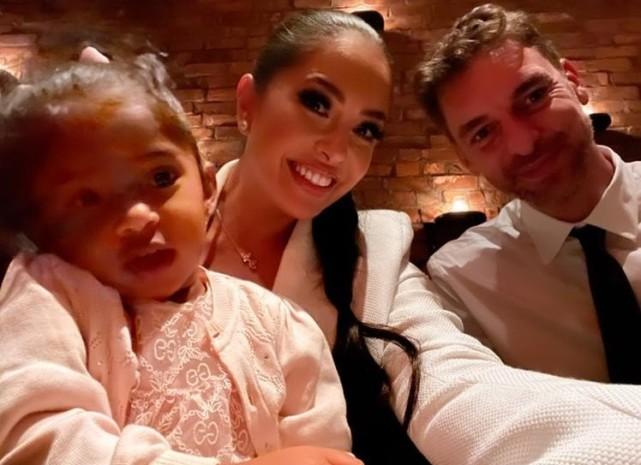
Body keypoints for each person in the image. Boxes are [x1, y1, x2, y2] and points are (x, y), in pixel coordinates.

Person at [205, 8, 641, 465]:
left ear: (574, 79)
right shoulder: (157, 232)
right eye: (316, 103)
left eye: (366, 130)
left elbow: (452, 388)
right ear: (248, 103)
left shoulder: (373, 254)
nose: (336, 150)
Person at [0, 55, 359, 465]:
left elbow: (321, 450)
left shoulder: (280, 326)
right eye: (88, 199)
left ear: (207, 188)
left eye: (160, 178)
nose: (137, 218)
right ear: (46, 229)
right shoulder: (48, 298)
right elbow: (40, 438)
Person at [417, 3, 641, 383]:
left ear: (574, 81)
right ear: (464, 157)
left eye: (534, 97)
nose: (523, 144)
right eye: (483, 133)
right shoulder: (461, 279)